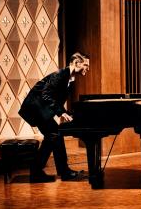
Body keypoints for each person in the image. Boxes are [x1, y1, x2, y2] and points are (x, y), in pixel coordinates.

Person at [19, 52, 90, 183]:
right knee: (54, 135)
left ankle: (60, 172)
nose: (88, 68)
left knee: (55, 135)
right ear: (76, 63)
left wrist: (66, 112)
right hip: (35, 108)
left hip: (40, 109)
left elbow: (56, 100)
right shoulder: (60, 75)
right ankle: (40, 171)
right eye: (86, 65)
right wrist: (60, 113)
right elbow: (46, 94)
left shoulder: (68, 78)